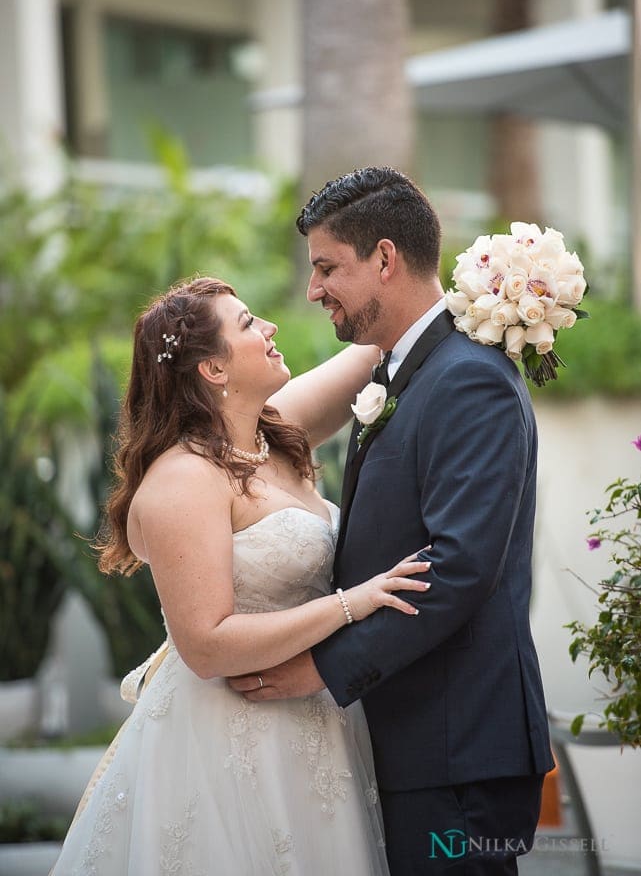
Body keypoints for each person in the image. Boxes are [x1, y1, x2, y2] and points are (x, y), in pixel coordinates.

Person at [229, 168, 555, 875]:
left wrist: (320, 666)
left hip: (458, 748)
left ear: (383, 258)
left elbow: (459, 565)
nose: (313, 290)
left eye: (325, 268)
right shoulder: (400, 371)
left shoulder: (467, 377)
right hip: (418, 741)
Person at [51, 275, 433, 876]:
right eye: (251, 323)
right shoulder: (183, 480)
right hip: (228, 735)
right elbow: (204, 644)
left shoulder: (272, 433)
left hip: (318, 716)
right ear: (214, 370)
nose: (271, 327)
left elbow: (373, 348)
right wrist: (350, 606)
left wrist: (490, 291)